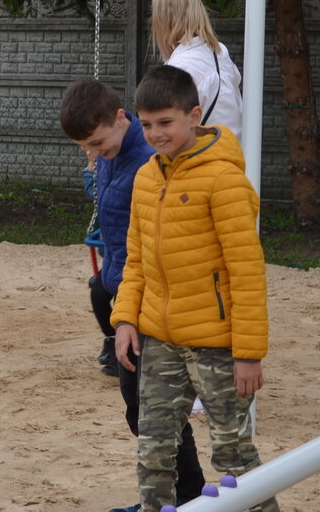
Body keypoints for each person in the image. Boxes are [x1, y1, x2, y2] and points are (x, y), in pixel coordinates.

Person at [112, 65, 277, 512]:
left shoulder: (224, 180)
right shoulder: (146, 177)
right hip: (159, 340)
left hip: (217, 346)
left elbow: (246, 270)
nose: (155, 134)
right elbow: (136, 259)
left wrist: (248, 353)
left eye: (165, 122)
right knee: (153, 450)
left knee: (234, 456)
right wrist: (125, 319)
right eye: (147, 124)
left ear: (194, 116)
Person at [60, 78, 204, 512]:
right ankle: (180, 495)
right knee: (141, 407)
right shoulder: (110, 157)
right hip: (124, 292)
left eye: (97, 143)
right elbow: (112, 213)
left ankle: (187, 495)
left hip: (149, 299)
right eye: (85, 147)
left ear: (121, 118)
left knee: (151, 408)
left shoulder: (149, 161)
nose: (93, 152)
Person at [151, 0, 242, 135]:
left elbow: (166, 133)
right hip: (234, 147)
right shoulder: (220, 52)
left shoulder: (176, 69)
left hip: (205, 149)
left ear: (161, 21)